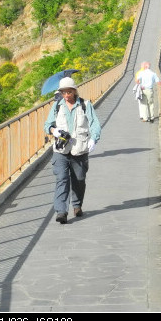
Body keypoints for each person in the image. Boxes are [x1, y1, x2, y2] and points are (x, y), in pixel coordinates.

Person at [44, 77, 102, 224]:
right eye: (64, 93)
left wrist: (93, 139)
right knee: (62, 178)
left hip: (80, 149)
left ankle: (77, 205)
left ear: (74, 91)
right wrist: (53, 130)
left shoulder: (85, 105)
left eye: (69, 92)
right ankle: (61, 211)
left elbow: (95, 124)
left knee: (79, 179)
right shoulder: (57, 106)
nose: (67, 95)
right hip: (61, 150)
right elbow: (47, 125)